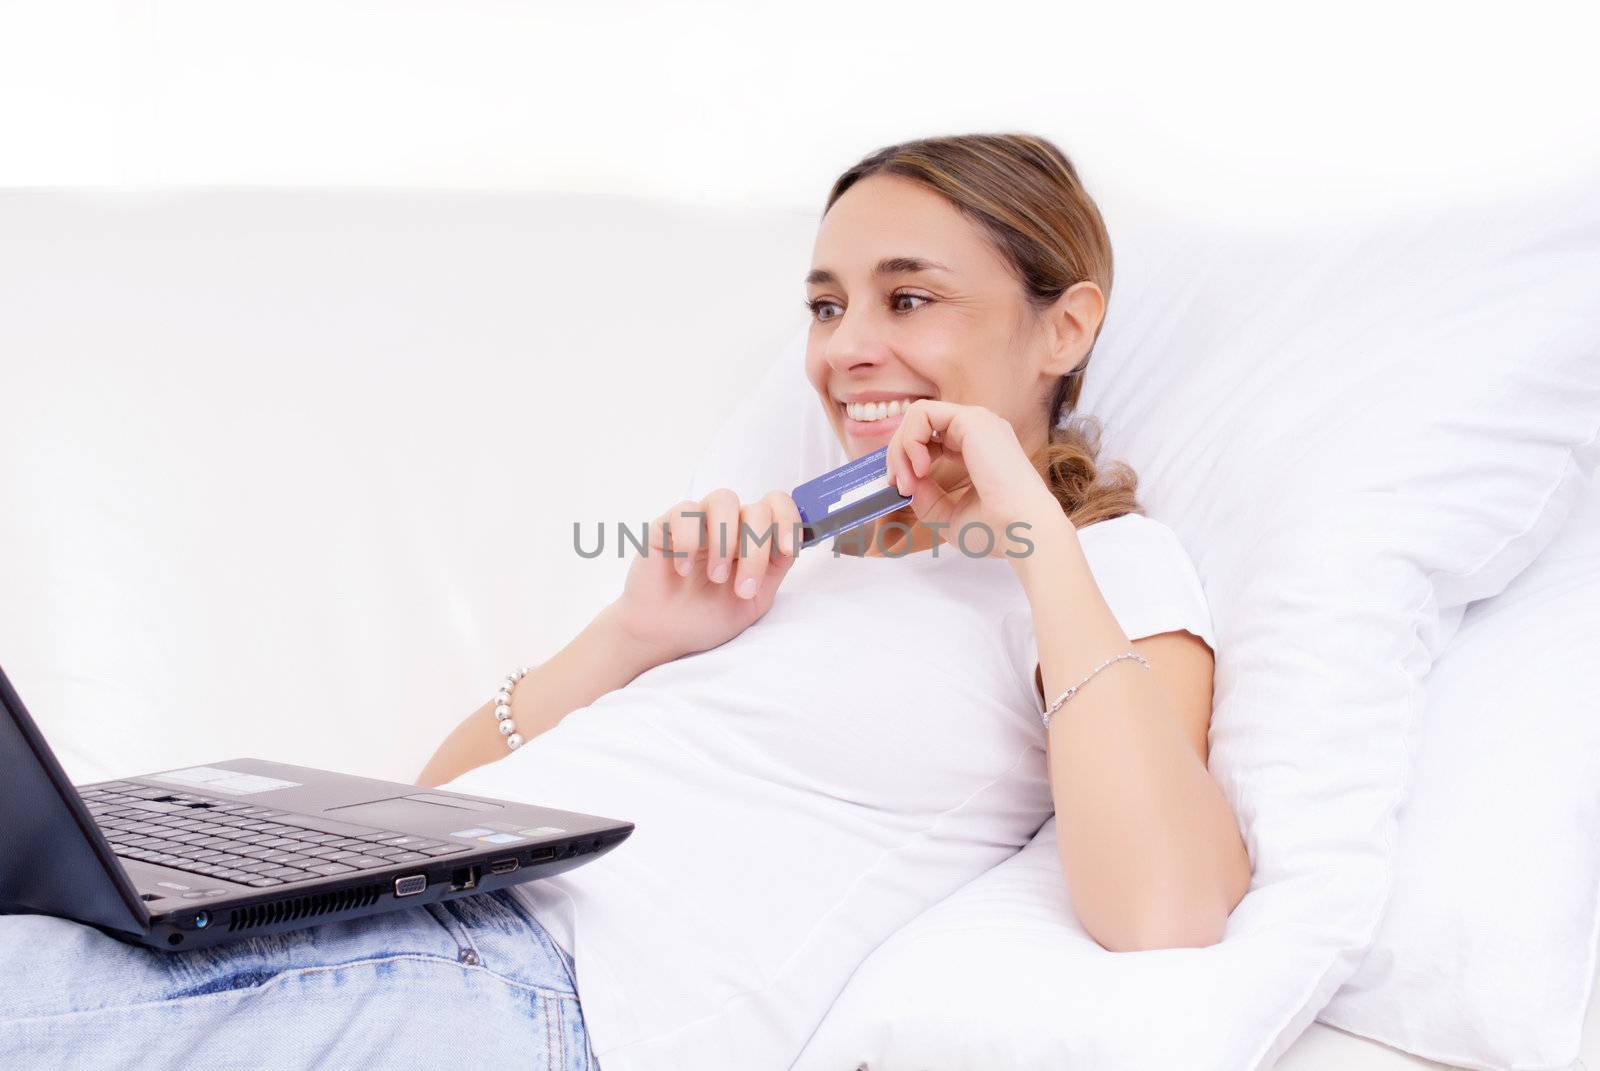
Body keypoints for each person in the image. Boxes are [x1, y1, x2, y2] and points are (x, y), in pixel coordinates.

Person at [0, 133, 1250, 1071]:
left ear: (1063, 328)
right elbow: (434, 809)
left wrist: (1023, 514)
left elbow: (1162, 908)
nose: (843, 348)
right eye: (826, 306)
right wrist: (637, 634)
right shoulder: (800, 561)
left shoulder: (1104, 569)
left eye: (907, 298)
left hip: (546, 994)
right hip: (426, 921)